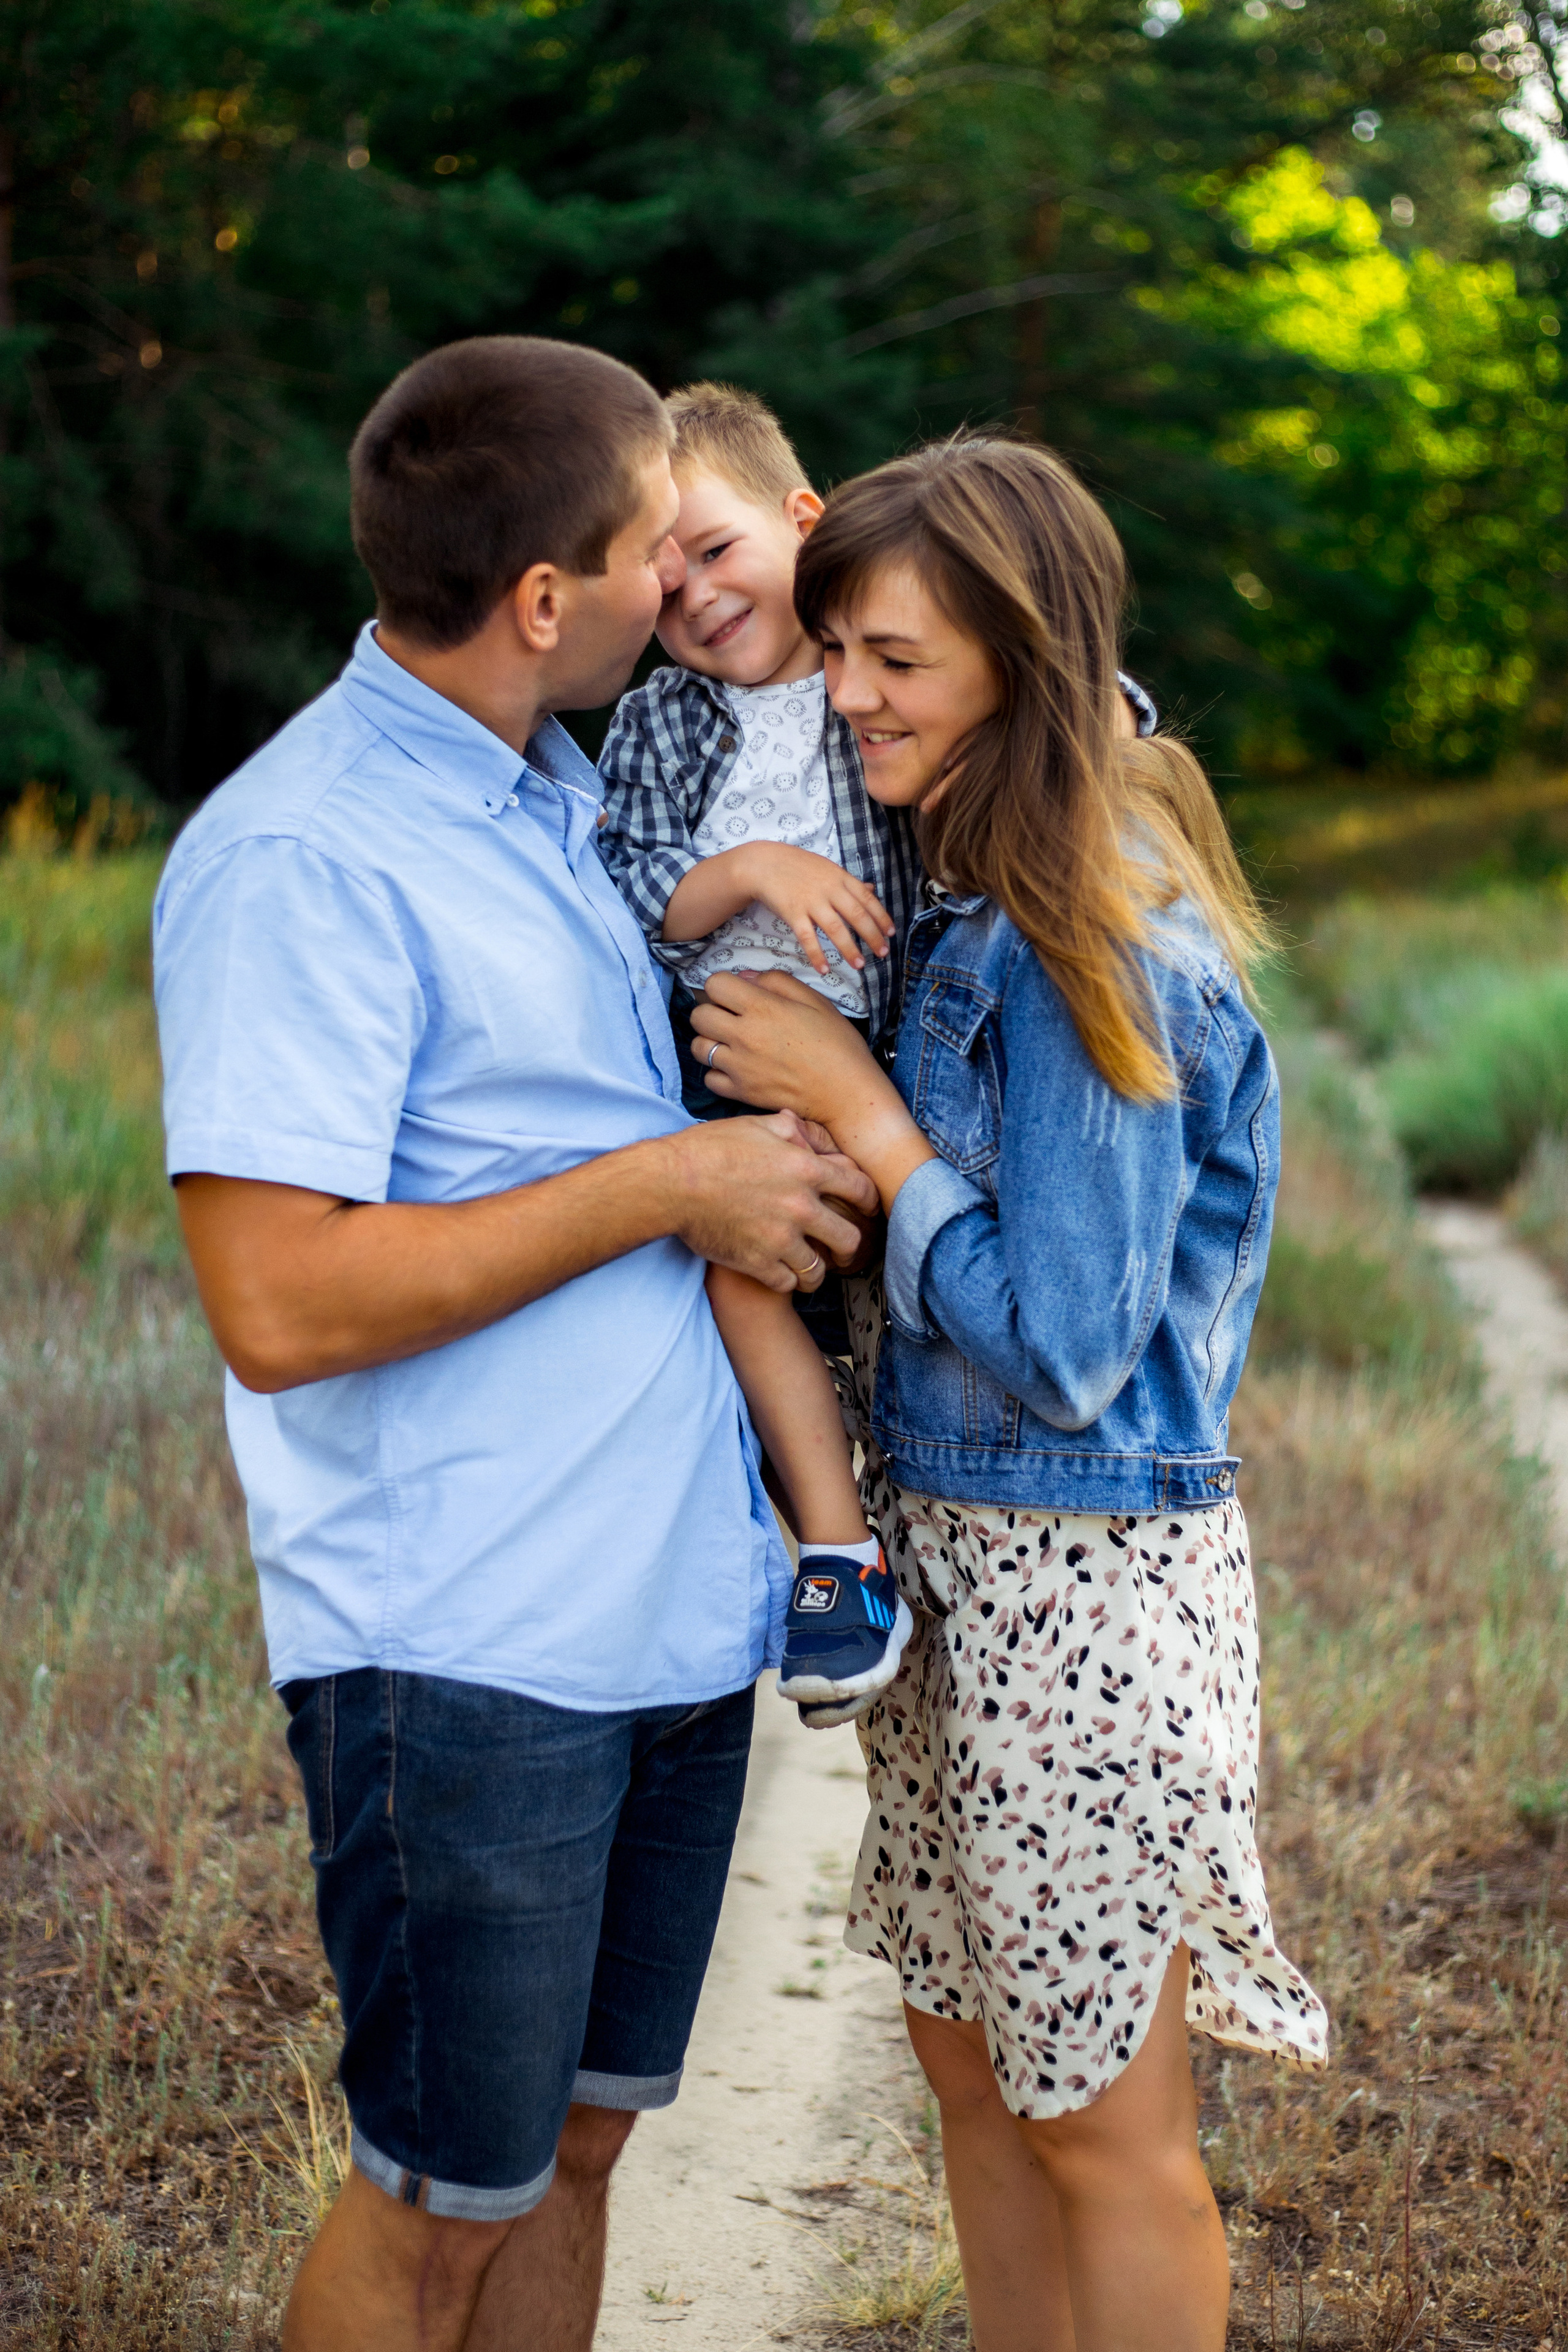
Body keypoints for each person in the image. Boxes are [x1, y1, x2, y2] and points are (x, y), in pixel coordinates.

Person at [151, 334, 881, 2352]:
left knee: (573, 2157)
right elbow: (279, 1301)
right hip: (465, 1651)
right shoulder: (307, 855)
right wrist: (674, 1188)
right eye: (656, 548)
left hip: (658, 1614)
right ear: (546, 601)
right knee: (438, 2205)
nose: (686, 585)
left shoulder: (566, 798)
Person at [683, 434, 1329, 2352]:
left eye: (891, 659)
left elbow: (1062, 1343)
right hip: (966, 1580)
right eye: (835, 652)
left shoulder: (1092, 928)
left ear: (1018, 661)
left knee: (1107, 2135)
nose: (843, 695)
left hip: (1088, 1600)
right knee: (980, 2089)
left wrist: (866, 1120)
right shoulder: (977, 883)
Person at [598, 380, 920, 1720]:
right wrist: (749, 868)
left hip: (899, 1052)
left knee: (904, 1306)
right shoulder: (660, 722)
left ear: (803, 518)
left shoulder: (874, 657)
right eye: (663, 589)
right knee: (734, 1272)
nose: (699, 601)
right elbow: (633, 888)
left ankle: (899, 1520)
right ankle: (837, 1558)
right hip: (729, 1062)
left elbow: (1010, 689)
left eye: (718, 551)